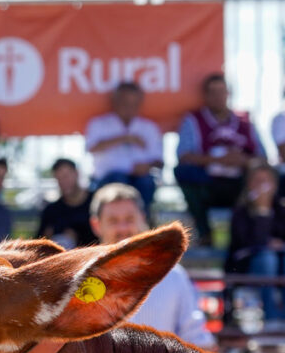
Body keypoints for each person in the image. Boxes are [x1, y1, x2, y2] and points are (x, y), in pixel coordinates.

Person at [90, 183, 216, 350]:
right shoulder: (82, 280)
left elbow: (198, 341)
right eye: (113, 221)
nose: (123, 228)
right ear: (96, 225)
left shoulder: (173, 275)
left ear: (142, 218)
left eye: (130, 219)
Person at [174, 73, 266, 246]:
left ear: (228, 93)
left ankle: (253, 236)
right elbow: (183, 155)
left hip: (240, 184)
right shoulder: (193, 120)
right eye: (212, 92)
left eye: (221, 91)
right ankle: (205, 233)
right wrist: (216, 160)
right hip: (208, 184)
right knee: (183, 171)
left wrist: (242, 160)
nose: (217, 96)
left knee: (264, 175)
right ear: (206, 96)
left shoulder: (245, 120)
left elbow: (263, 158)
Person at [84, 81, 163, 210]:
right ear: (114, 101)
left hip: (141, 180)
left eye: (134, 103)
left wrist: (146, 166)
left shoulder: (149, 127)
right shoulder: (98, 123)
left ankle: (141, 223)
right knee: (118, 181)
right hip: (107, 179)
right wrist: (125, 138)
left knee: (146, 182)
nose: (129, 107)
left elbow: (159, 161)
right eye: (125, 103)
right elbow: (91, 148)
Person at [226, 164, 285, 323]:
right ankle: (272, 319)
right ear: (249, 183)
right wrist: (262, 210)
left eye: (267, 181)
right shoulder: (241, 211)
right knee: (267, 258)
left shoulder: (281, 209)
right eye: (258, 181)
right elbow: (250, 242)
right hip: (247, 266)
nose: (263, 186)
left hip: (279, 264)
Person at [37, 158, 97, 249]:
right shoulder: (51, 211)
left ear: (77, 173)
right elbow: (39, 244)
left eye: (66, 176)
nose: (63, 182)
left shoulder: (98, 201)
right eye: (58, 178)